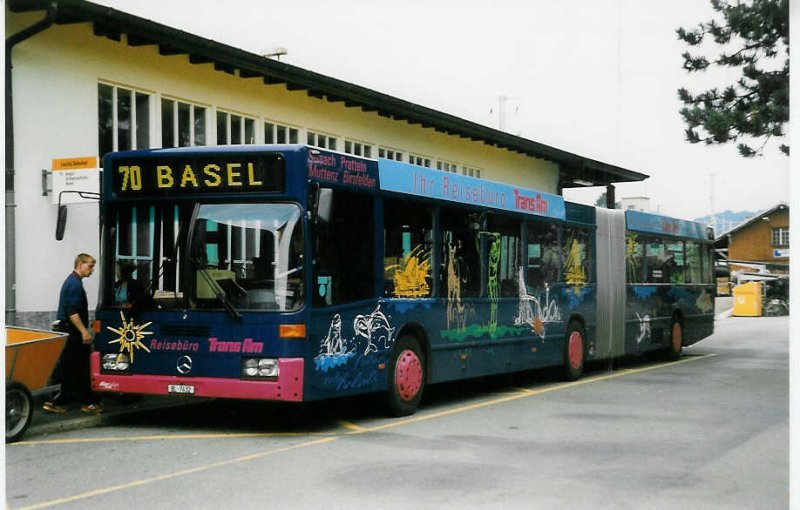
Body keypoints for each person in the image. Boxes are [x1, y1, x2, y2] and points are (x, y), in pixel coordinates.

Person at [43, 253, 103, 414]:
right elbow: (72, 312)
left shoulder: (72, 282)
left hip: (69, 330)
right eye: (90, 266)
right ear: (80, 264)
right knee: (82, 367)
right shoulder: (74, 285)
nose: (92, 270)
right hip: (73, 332)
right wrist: (84, 332)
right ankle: (86, 402)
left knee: (71, 367)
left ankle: (57, 401)